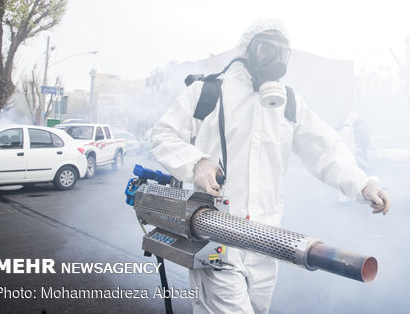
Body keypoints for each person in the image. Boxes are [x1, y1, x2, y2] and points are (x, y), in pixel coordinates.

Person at [150, 18, 390, 314]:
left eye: (282, 53)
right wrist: (197, 163)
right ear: (247, 50)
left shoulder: (289, 103)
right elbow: (162, 135)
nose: (274, 60)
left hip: (266, 243)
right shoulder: (208, 92)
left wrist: (362, 183)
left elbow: (326, 149)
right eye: (266, 50)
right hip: (216, 237)